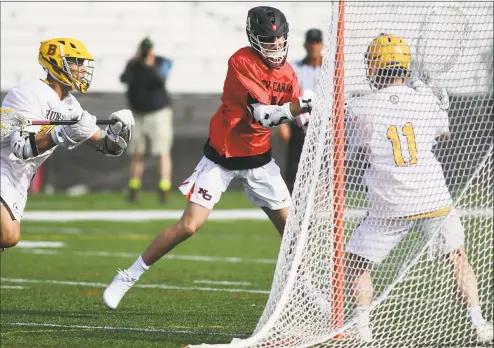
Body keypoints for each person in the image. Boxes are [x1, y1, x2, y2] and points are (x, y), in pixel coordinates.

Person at [102, 6, 314, 310]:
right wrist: (298, 108)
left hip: (260, 161)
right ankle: (127, 276)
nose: (277, 46)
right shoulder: (241, 62)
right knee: (188, 226)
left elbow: (296, 115)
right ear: (254, 39)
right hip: (223, 158)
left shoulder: (288, 72)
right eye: (270, 41)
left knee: (291, 230)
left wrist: (310, 118)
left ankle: (304, 289)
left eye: (280, 40)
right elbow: (263, 115)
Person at [345, 33, 493, 343]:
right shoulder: (425, 98)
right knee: (458, 258)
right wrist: (434, 103)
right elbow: (445, 134)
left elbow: (356, 148)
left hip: (390, 203)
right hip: (432, 196)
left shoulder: (362, 107)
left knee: (358, 266)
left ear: (374, 68)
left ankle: (362, 332)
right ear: (404, 66)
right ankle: (479, 324)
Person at [0, 37, 135, 251]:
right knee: (7, 236)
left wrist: (119, 133)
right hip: (4, 168)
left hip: (19, 177)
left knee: (6, 238)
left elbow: (107, 146)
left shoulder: (71, 106)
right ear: (55, 62)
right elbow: (21, 147)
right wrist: (60, 134)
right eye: (75, 62)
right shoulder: (28, 93)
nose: (81, 69)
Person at [120, 37, 174, 203]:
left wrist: (150, 65)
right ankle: (134, 187)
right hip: (139, 113)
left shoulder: (160, 62)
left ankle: (164, 187)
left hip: (158, 113)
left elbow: (161, 79)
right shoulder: (133, 64)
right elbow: (124, 79)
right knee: (137, 152)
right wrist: (136, 62)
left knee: (162, 152)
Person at [278, 28, 323, 193]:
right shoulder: (295, 67)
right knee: (294, 165)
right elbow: (284, 95)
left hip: (322, 123)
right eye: (311, 42)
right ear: (305, 44)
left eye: (316, 42)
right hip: (298, 123)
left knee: (322, 165)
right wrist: (282, 124)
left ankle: (319, 203)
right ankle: (293, 203)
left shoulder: (328, 68)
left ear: (322, 45)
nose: (313, 46)